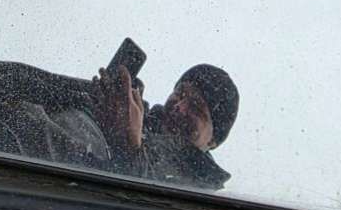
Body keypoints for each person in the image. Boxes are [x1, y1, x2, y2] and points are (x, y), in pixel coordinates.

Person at [93, 63, 240, 191]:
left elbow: (141, 203)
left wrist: (127, 145)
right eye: (180, 94)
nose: (180, 107)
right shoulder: (134, 118)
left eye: (196, 107)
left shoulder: (198, 189)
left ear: (213, 141)